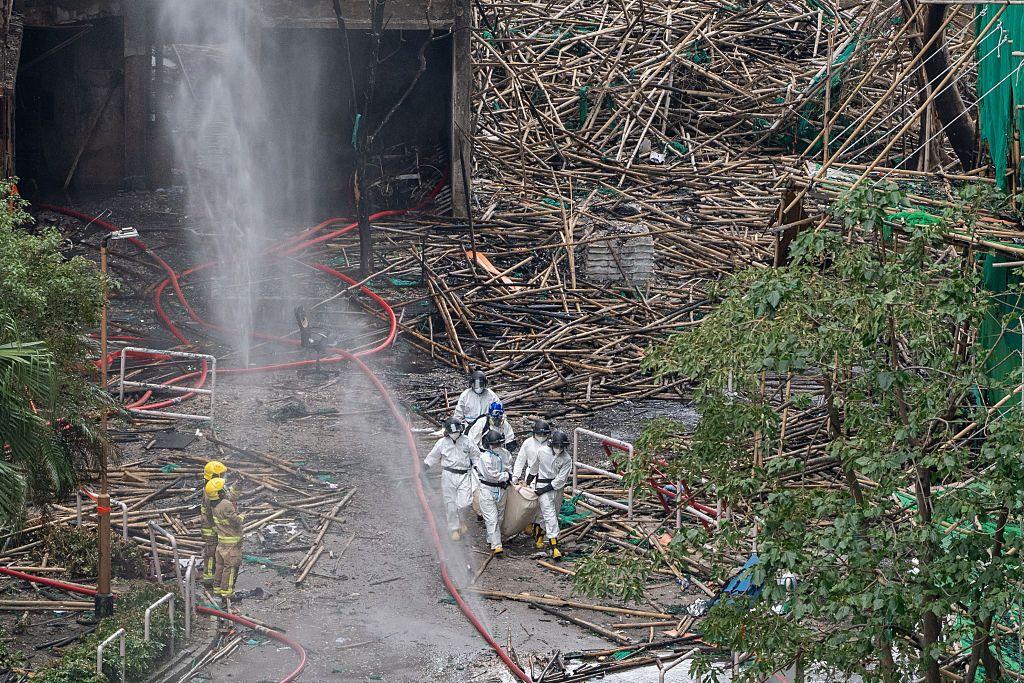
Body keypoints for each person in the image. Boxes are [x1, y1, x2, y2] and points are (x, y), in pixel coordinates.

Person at [423, 417, 481, 540]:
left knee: (465, 502)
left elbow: (476, 457)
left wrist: (478, 468)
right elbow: (433, 457)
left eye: (456, 431)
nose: (455, 434)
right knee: (450, 503)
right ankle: (454, 528)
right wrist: (424, 467)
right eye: (452, 432)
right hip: (448, 474)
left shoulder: (467, 441)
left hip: (464, 474)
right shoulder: (442, 443)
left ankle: (461, 520)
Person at [535, 429, 572, 560]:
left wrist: (545, 489)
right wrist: (529, 482)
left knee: (553, 514)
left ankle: (539, 535)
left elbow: (561, 479)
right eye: (557, 446)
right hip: (541, 484)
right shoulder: (541, 451)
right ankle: (554, 546)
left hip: (556, 489)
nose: (559, 448)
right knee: (549, 514)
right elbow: (534, 467)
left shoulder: (566, 459)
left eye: (562, 446)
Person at [474, 429, 512, 556]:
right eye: (495, 444)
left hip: (502, 489)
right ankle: (497, 545)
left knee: (500, 517)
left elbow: (509, 467)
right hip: (487, 489)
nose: (497, 446)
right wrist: (506, 476)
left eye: (498, 443)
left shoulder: (505, 454)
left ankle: (492, 539)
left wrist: (509, 476)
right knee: (492, 518)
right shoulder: (484, 458)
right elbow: (491, 475)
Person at [211, 477, 244, 605]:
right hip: (231, 544)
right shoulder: (226, 504)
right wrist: (243, 516)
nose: (225, 489)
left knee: (220, 566)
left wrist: (237, 483)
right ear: (219, 492)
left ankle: (217, 590)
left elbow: (230, 496)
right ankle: (227, 594)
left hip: (221, 543)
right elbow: (236, 521)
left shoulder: (215, 504)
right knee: (230, 568)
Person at [201, 460, 228, 586]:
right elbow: (211, 512)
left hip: (212, 526)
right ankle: (209, 578)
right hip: (210, 527)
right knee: (211, 552)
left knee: (215, 551)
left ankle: (216, 575)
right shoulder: (210, 492)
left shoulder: (212, 487)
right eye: (221, 474)